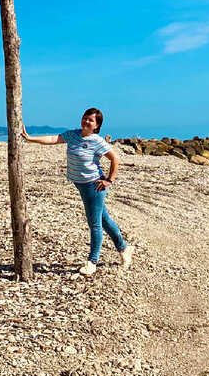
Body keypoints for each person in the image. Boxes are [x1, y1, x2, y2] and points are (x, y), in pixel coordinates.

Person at [21, 107, 136, 277]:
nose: (86, 121)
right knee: (103, 219)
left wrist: (109, 180)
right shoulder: (73, 135)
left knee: (95, 224)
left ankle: (92, 262)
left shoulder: (97, 141)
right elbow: (53, 138)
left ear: (96, 126)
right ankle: (124, 249)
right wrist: (31, 139)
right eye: (85, 118)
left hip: (93, 186)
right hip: (80, 184)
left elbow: (115, 159)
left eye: (91, 120)